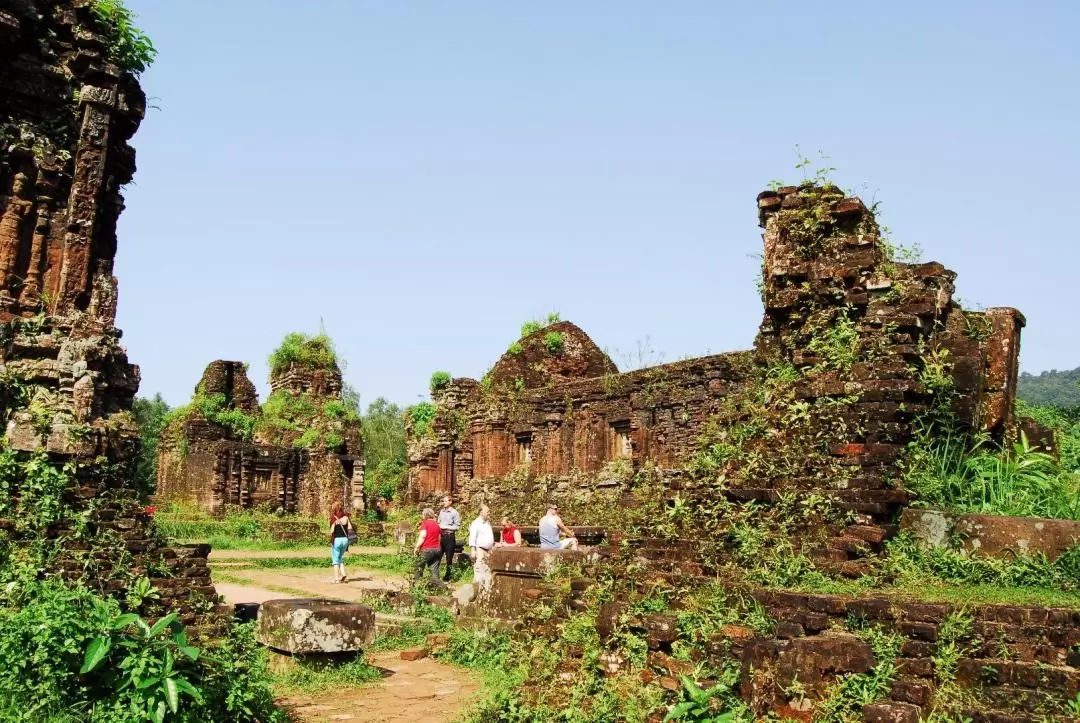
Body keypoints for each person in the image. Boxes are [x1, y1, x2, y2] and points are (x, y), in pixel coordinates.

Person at [414, 507, 443, 585]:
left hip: (427, 549)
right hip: (437, 549)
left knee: (418, 566)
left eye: (423, 514)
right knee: (434, 569)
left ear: (425, 515)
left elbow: (423, 536)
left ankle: (417, 585)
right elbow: (439, 538)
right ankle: (437, 587)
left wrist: (417, 547)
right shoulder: (437, 524)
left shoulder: (425, 523)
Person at [467, 504, 495, 585]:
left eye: (489, 511)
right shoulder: (476, 523)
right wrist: (473, 550)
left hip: (488, 550)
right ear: (481, 512)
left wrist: (493, 544)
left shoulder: (487, 523)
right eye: (487, 512)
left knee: (487, 570)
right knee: (479, 571)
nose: (489, 513)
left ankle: (485, 590)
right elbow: (472, 537)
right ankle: (477, 590)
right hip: (480, 549)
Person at [437, 495, 461, 582]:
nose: (444, 503)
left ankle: (448, 576)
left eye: (446, 501)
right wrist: (440, 527)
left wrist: (446, 527)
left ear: (450, 502)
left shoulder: (454, 513)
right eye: (443, 501)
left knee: (449, 557)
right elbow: (438, 522)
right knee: (438, 555)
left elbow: (457, 526)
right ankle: (436, 575)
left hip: (449, 536)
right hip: (441, 536)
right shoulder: (441, 512)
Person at [329, 503, 351, 583]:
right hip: (345, 540)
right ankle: (343, 574)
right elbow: (350, 528)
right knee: (340, 557)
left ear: (335, 509)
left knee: (335, 560)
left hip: (337, 540)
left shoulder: (334, 518)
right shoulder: (346, 517)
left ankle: (336, 579)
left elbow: (331, 531)